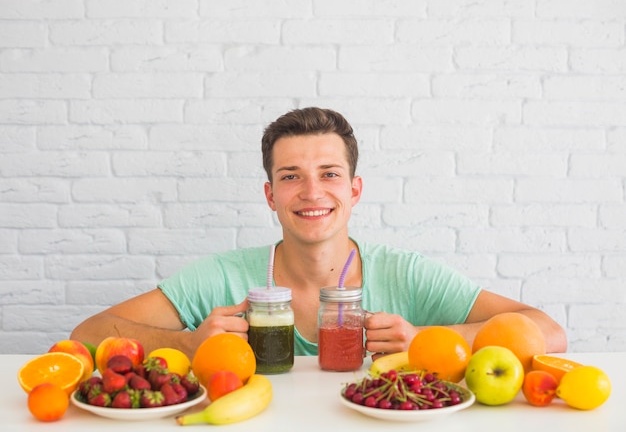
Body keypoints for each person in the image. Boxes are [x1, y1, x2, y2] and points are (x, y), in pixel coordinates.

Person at [71, 107, 567, 360]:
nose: (312, 192)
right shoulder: (224, 277)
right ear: (270, 195)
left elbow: (549, 331)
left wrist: (425, 339)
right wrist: (190, 344)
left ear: (354, 190)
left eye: (329, 174)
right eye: (291, 177)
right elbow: (88, 333)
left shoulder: (406, 274)